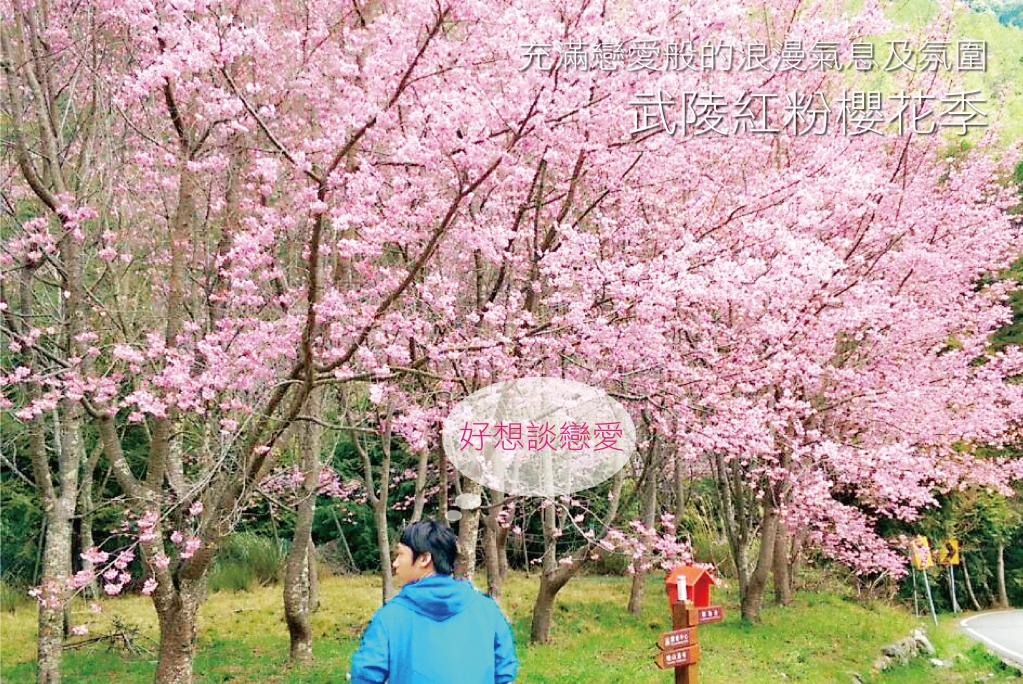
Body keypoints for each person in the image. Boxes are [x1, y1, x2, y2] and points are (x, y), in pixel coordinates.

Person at [350, 519, 518, 684]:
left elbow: (365, 675)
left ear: (424, 559)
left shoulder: (390, 616)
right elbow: (504, 675)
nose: (395, 563)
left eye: (400, 554)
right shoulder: (487, 610)